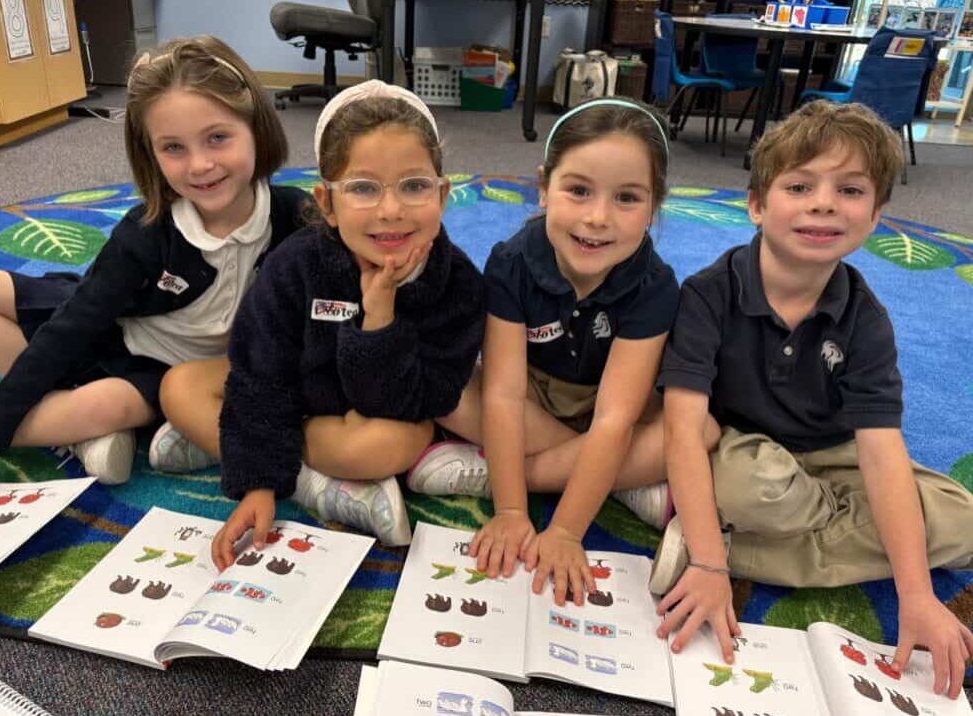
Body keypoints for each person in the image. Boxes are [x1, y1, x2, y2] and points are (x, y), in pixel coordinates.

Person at [652, 100, 973, 699]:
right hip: (751, 454)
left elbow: (880, 451)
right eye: (800, 186)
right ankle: (730, 542)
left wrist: (916, 596)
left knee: (964, 523)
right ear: (755, 205)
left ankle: (743, 545)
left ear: (875, 215)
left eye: (850, 190)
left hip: (835, 453)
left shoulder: (865, 318)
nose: (824, 203)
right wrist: (709, 570)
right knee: (759, 488)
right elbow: (681, 432)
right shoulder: (708, 295)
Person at [0, 36, 309, 500]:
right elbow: (72, 329)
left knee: (105, 405)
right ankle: (12, 423)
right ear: (151, 154)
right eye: (173, 147)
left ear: (256, 128)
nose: (200, 165)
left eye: (217, 138)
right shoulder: (144, 232)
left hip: (171, 378)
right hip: (109, 329)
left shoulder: (295, 217)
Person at [407, 98, 703, 607]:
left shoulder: (655, 285)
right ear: (544, 187)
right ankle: (622, 480)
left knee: (702, 428)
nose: (597, 218)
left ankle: (516, 471)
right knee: (441, 387)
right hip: (532, 403)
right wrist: (511, 513)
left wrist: (565, 530)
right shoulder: (512, 262)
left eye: (627, 198)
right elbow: (502, 394)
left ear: (655, 205)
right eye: (579, 190)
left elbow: (614, 419)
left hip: (609, 407)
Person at [187, 80, 484, 565]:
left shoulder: (459, 285)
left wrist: (379, 319)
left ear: (443, 194)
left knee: (391, 445)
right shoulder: (294, 266)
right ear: (326, 203)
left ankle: (268, 457)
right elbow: (261, 373)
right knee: (178, 385)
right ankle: (303, 480)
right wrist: (260, 485)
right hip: (299, 397)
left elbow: (408, 401)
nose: (391, 211)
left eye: (414, 186)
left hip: (373, 418)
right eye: (364, 189)